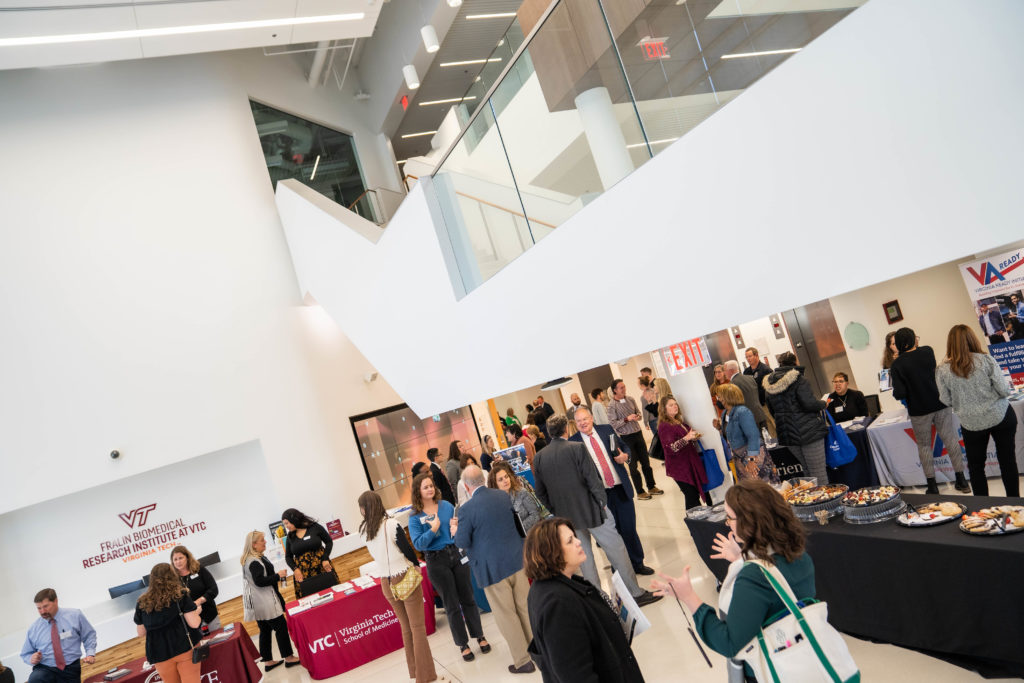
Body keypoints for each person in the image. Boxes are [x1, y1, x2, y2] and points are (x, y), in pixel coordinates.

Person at [652, 480, 815, 681]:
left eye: (729, 517)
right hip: (800, 656)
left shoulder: (754, 576)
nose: (727, 523)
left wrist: (689, 597)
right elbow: (775, 595)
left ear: (749, 523)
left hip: (769, 669)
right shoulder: (797, 554)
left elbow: (730, 642)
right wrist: (741, 558)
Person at [533, 416, 661, 606]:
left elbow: (540, 493)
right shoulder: (576, 448)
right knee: (617, 550)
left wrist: (556, 510)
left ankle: (600, 602)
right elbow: (592, 479)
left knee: (585, 561)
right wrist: (602, 502)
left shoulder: (539, 457)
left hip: (567, 519)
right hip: (593, 511)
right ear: (566, 430)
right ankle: (635, 593)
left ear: (549, 433)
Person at [524, 518, 646, 683]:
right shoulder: (558, 604)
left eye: (574, 537)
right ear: (551, 551)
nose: (579, 542)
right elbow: (576, 674)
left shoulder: (552, 585)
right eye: (570, 541)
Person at [454, 466, 537, 675]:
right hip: (517, 561)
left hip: (492, 570)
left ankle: (522, 660)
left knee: (506, 616)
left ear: (466, 486)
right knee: (525, 608)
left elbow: (462, 541)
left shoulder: (465, 510)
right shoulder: (502, 496)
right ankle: (539, 652)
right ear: (483, 479)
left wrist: (455, 530)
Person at [358, 491, 442, 683]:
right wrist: (416, 565)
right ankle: (426, 676)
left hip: (385, 582)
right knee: (418, 627)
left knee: (406, 628)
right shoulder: (391, 525)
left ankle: (415, 672)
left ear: (364, 509)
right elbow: (408, 551)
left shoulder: (364, 531)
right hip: (403, 577)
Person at [408, 473, 490, 661]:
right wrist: (434, 529)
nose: (430, 489)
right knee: (452, 604)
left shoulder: (446, 506)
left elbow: (458, 533)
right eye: (425, 487)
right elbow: (419, 544)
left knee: (468, 598)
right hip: (436, 561)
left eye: (431, 485)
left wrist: (456, 528)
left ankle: (479, 636)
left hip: (456, 554)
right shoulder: (414, 517)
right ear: (418, 492)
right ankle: (463, 644)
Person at [936, 324, 1020, 496]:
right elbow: (1004, 390)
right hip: (1000, 415)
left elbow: (945, 399)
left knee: (976, 468)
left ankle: (982, 510)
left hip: (970, 422)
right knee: (1008, 462)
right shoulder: (986, 360)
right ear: (972, 339)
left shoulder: (943, 370)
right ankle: (1016, 507)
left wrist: (963, 403)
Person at [569, 406, 651, 576]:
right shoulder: (573, 442)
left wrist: (625, 456)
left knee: (629, 528)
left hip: (620, 487)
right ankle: (619, 568)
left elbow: (624, 447)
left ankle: (638, 563)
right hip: (600, 496)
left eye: (585, 419)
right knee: (611, 535)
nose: (583, 423)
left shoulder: (606, 430)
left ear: (591, 418)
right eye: (579, 421)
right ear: (575, 424)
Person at [890, 327, 970, 494]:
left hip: (919, 410)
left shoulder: (897, 364)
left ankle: (932, 486)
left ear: (897, 343)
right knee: (950, 440)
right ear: (914, 339)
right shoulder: (928, 351)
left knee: (925, 446)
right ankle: (961, 480)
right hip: (940, 403)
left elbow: (900, 393)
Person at [763, 352, 829, 483]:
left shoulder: (769, 384)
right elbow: (809, 404)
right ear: (795, 362)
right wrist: (823, 403)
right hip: (808, 433)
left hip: (788, 434)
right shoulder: (799, 380)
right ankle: (825, 502)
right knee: (818, 472)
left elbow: (772, 410)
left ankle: (812, 501)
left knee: (807, 472)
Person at [240, 531, 301, 671]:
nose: (265, 542)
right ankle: (289, 657)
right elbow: (260, 581)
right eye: (262, 540)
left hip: (259, 603)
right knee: (281, 627)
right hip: (265, 602)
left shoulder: (252, 558)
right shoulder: (254, 561)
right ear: (254, 544)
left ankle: (267, 661)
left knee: (265, 630)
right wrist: (277, 576)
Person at [134, 563, 202, 683]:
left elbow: (141, 632)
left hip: (159, 655)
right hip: (185, 648)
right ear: (172, 576)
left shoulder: (142, 603)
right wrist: (197, 611)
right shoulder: (180, 595)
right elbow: (194, 624)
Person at [20, 589, 96, 683]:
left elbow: (89, 635)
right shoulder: (34, 629)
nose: (42, 611)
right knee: (36, 679)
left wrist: (90, 653)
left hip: (70, 668)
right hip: (45, 668)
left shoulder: (75, 615)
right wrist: (31, 658)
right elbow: (25, 653)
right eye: (39, 608)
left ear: (55, 601)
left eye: (45, 606)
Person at [608, 379, 662, 499]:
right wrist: (627, 419)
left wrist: (637, 417)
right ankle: (640, 492)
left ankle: (651, 486)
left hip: (638, 433)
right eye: (621, 388)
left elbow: (639, 413)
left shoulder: (630, 399)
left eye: (624, 386)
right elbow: (613, 424)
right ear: (615, 390)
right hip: (626, 438)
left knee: (646, 462)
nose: (624, 389)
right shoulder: (612, 406)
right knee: (633, 466)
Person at [657, 397, 713, 509]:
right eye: (671, 405)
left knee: (694, 494)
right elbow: (671, 448)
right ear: (664, 409)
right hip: (680, 467)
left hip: (688, 462)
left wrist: (693, 437)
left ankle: (700, 521)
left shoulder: (678, 421)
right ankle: (695, 523)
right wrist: (687, 438)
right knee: (691, 496)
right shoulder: (664, 426)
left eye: (675, 404)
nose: (675, 406)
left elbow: (684, 438)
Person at [719, 384, 780, 485]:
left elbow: (753, 436)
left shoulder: (742, 412)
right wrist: (719, 428)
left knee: (762, 487)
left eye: (720, 396)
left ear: (727, 397)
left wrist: (751, 460)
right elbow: (730, 435)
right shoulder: (724, 413)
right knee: (749, 490)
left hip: (752, 455)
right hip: (739, 458)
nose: (719, 399)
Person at [282, 508, 334, 598]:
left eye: (287, 523)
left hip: (323, 568)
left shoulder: (314, 527)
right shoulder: (290, 537)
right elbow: (288, 557)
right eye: (284, 524)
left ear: (294, 519)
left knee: (331, 595)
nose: (286, 526)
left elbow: (329, 542)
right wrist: (295, 569)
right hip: (304, 575)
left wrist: (325, 558)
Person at [170, 545, 220, 632]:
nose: (178, 562)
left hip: (209, 615)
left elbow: (213, 589)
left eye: (180, 558)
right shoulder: (172, 579)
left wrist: (198, 602)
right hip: (191, 622)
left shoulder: (198, 569)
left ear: (187, 558)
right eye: (175, 559)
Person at [489, 460, 546, 532]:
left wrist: (518, 529)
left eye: (506, 477)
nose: (505, 480)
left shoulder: (521, 492)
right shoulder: (494, 503)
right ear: (494, 484)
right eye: (500, 479)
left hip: (532, 534)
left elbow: (535, 514)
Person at [721, 360, 768, 431]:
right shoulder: (750, 378)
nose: (724, 373)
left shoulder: (732, 385)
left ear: (731, 371)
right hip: (760, 415)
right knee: (767, 440)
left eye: (724, 370)